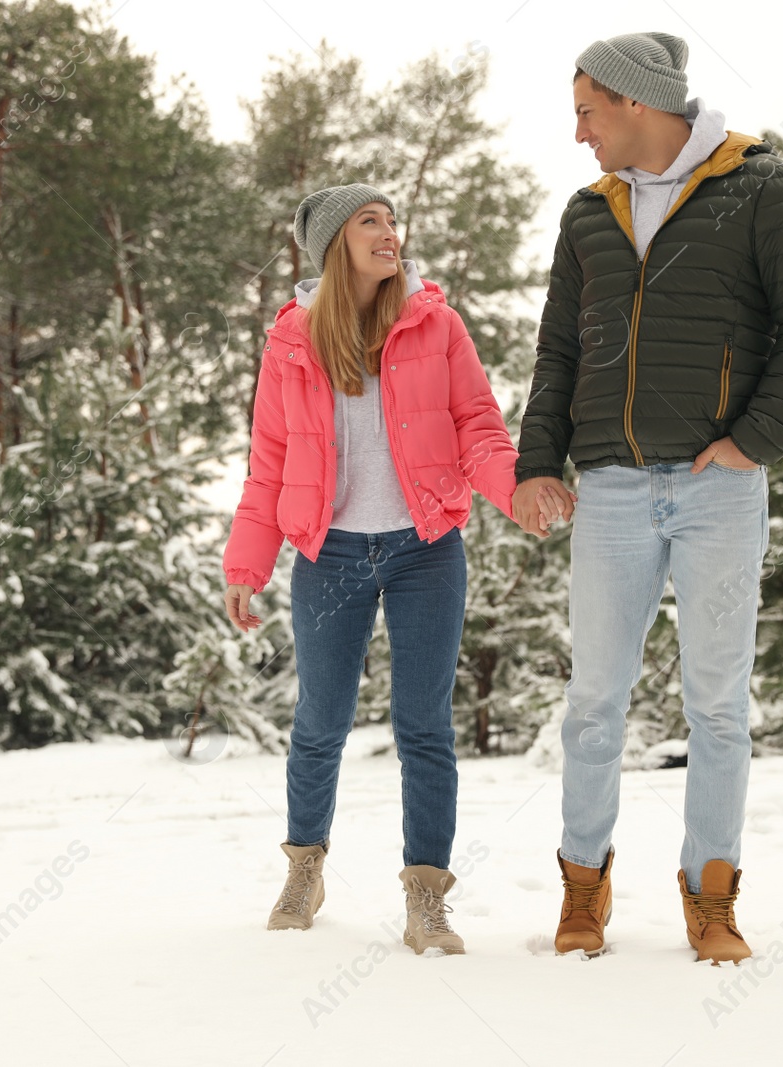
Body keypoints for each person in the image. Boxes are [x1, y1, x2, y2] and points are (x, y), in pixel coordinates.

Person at [513, 32, 783, 963]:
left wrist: (754, 442)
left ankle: (713, 899)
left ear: (635, 103)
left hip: (717, 489)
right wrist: (538, 461)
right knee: (593, 703)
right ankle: (584, 891)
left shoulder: (762, 185)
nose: (578, 131)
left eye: (586, 109)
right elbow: (558, 352)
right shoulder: (588, 215)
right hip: (611, 486)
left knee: (718, 705)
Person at [222, 183, 522, 955]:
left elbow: (477, 427)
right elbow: (269, 462)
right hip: (331, 552)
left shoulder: (436, 323)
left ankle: (427, 894)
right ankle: (304, 867)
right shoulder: (292, 341)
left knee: (425, 726)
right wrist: (247, 564)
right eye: (370, 222)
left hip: (426, 547)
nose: (390, 232)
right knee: (320, 723)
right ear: (333, 244)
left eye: (392, 220)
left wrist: (518, 489)